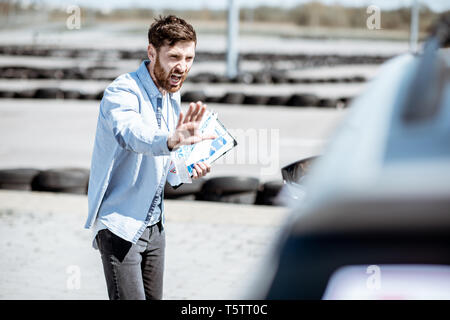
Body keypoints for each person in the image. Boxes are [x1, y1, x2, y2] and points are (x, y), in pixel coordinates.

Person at [84, 15, 215, 300]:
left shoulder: (171, 94)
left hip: (156, 226)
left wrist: (186, 169)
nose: (182, 67)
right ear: (151, 52)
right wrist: (170, 139)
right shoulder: (122, 91)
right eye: (174, 57)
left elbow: (164, 166)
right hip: (121, 226)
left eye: (189, 58)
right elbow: (130, 134)